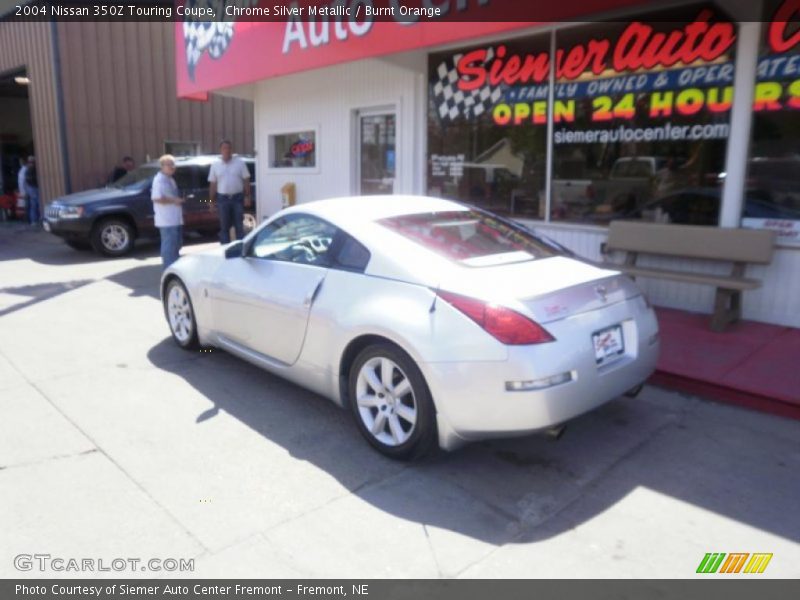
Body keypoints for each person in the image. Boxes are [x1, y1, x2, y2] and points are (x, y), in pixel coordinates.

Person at [208, 139, 251, 244]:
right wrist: (211, 202)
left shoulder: (240, 163)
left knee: (239, 226)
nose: (226, 150)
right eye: (224, 148)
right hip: (222, 199)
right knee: (224, 227)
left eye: (228, 148)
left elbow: (246, 180)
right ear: (220, 150)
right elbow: (213, 184)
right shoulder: (215, 165)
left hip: (238, 198)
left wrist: (247, 196)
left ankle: (240, 250)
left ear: (231, 150)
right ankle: (225, 251)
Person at [151, 154, 184, 269]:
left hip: (175, 219)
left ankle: (174, 270)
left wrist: (179, 200)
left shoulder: (170, 179)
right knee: (169, 248)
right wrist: (175, 200)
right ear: (162, 166)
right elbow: (156, 198)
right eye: (169, 165)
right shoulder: (159, 180)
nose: (172, 167)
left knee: (175, 246)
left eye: (173, 164)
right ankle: (169, 272)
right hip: (167, 221)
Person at [24, 156, 40, 226]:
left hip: (30, 188)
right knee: (35, 204)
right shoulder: (31, 169)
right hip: (33, 187)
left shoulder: (27, 169)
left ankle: (34, 220)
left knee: (33, 204)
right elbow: (31, 179)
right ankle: (34, 220)